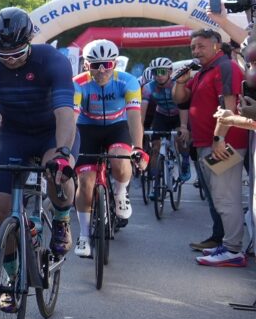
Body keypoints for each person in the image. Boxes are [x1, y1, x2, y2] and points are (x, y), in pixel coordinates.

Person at [0, 7, 77, 309]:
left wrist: (64, 153)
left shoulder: (52, 60)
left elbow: (65, 110)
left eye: (18, 52)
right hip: (15, 135)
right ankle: (13, 277)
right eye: (4, 55)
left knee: (58, 172)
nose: (11, 60)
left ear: (30, 40)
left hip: (52, 131)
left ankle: (62, 219)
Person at [172, 29, 248, 267]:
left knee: (226, 197)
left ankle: (233, 250)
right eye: (193, 47)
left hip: (225, 144)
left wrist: (219, 139)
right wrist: (180, 81)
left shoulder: (226, 68)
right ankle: (227, 244)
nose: (195, 51)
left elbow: (230, 108)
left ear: (217, 46)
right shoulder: (203, 72)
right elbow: (180, 99)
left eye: (201, 46)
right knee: (219, 197)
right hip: (207, 144)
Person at [70, 39, 146, 257]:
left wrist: (138, 147)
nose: (101, 70)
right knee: (85, 182)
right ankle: (84, 235)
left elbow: (134, 116)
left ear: (114, 63)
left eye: (107, 64)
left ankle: (121, 193)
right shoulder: (78, 83)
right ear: (86, 65)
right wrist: (66, 149)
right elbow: (72, 120)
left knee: (121, 160)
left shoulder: (127, 81)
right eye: (95, 65)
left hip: (116, 126)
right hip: (87, 129)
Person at [140, 56, 191, 196]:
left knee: (181, 139)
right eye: (156, 72)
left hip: (178, 114)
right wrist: (140, 128)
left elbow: (182, 105)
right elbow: (142, 111)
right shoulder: (148, 87)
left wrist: (184, 126)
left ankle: (185, 161)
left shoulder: (177, 83)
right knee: (155, 147)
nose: (159, 75)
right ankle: (156, 184)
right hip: (161, 115)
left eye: (163, 71)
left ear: (170, 72)